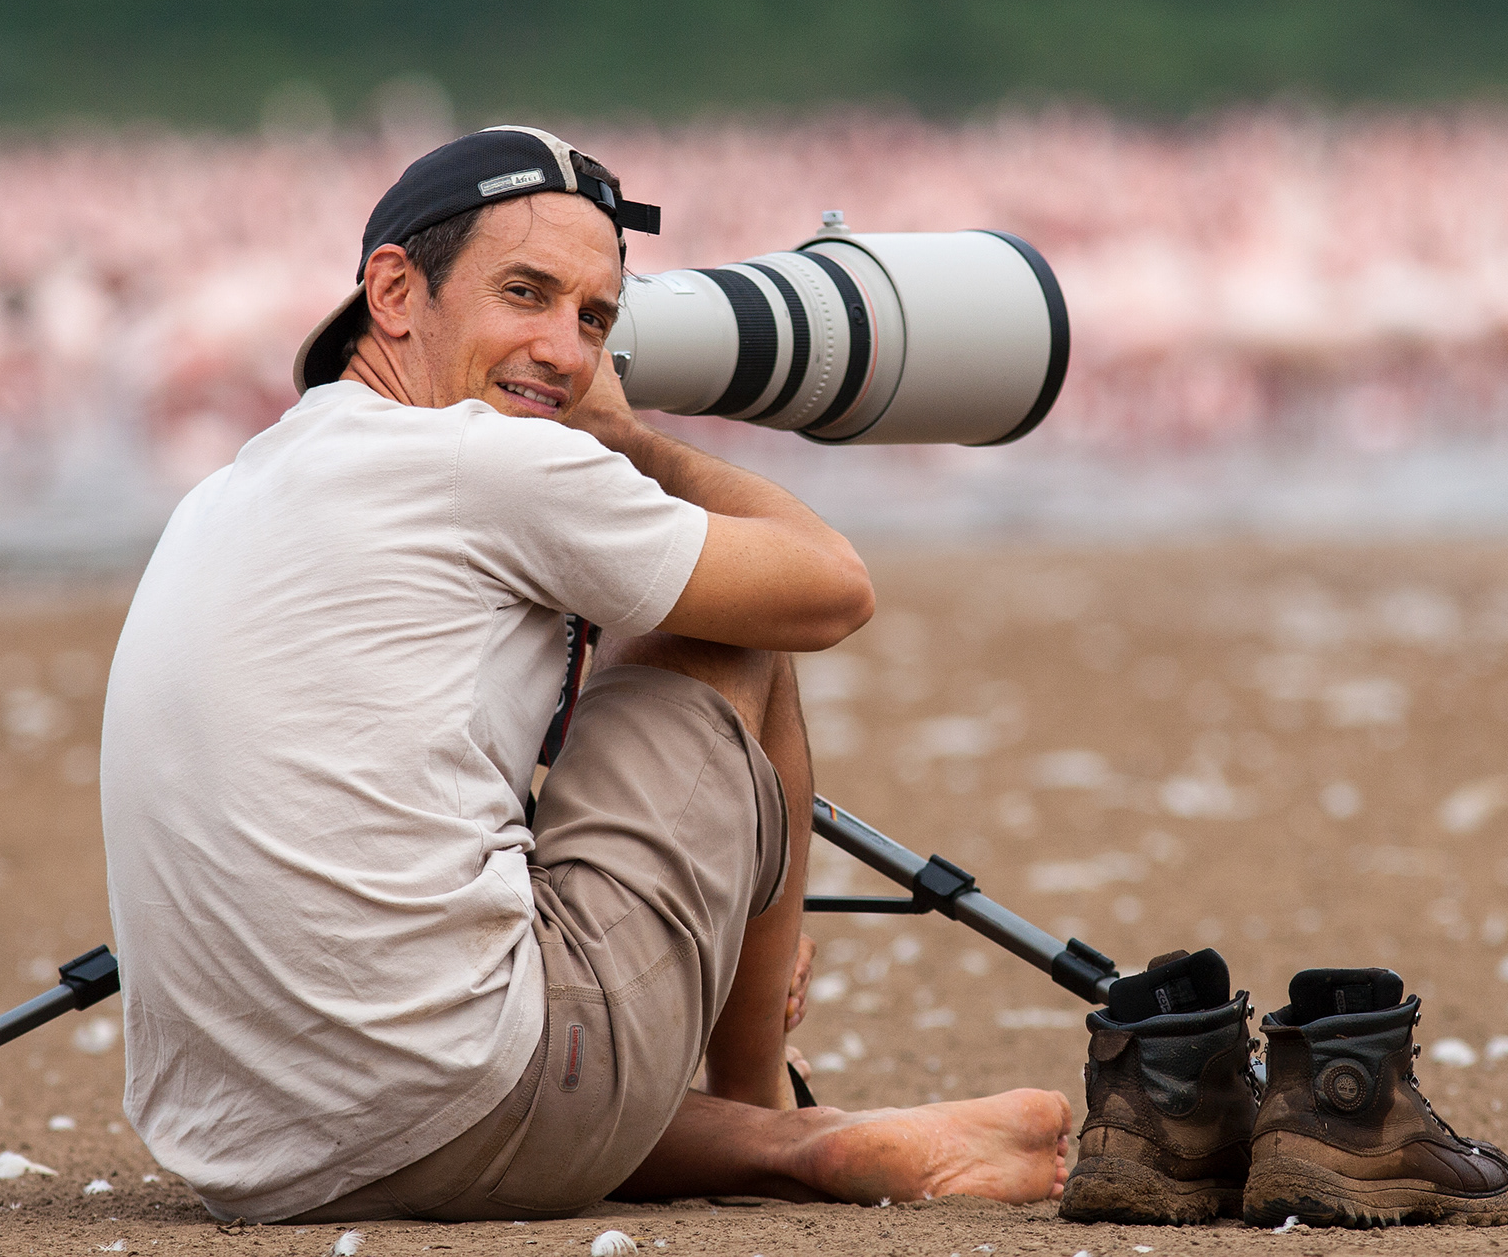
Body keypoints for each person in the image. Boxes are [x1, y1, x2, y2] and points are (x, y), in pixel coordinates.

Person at [100, 125, 1071, 1224]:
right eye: (526, 293)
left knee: (440, 1004)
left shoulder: (238, 482)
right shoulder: (489, 456)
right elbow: (828, 586)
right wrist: (634, 438)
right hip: (484, 1105)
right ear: (394, 290)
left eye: (595, 318)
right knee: (733, 625)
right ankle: (759, 1089)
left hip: (245, 1154)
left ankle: (787, 1145)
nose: (564, 352)